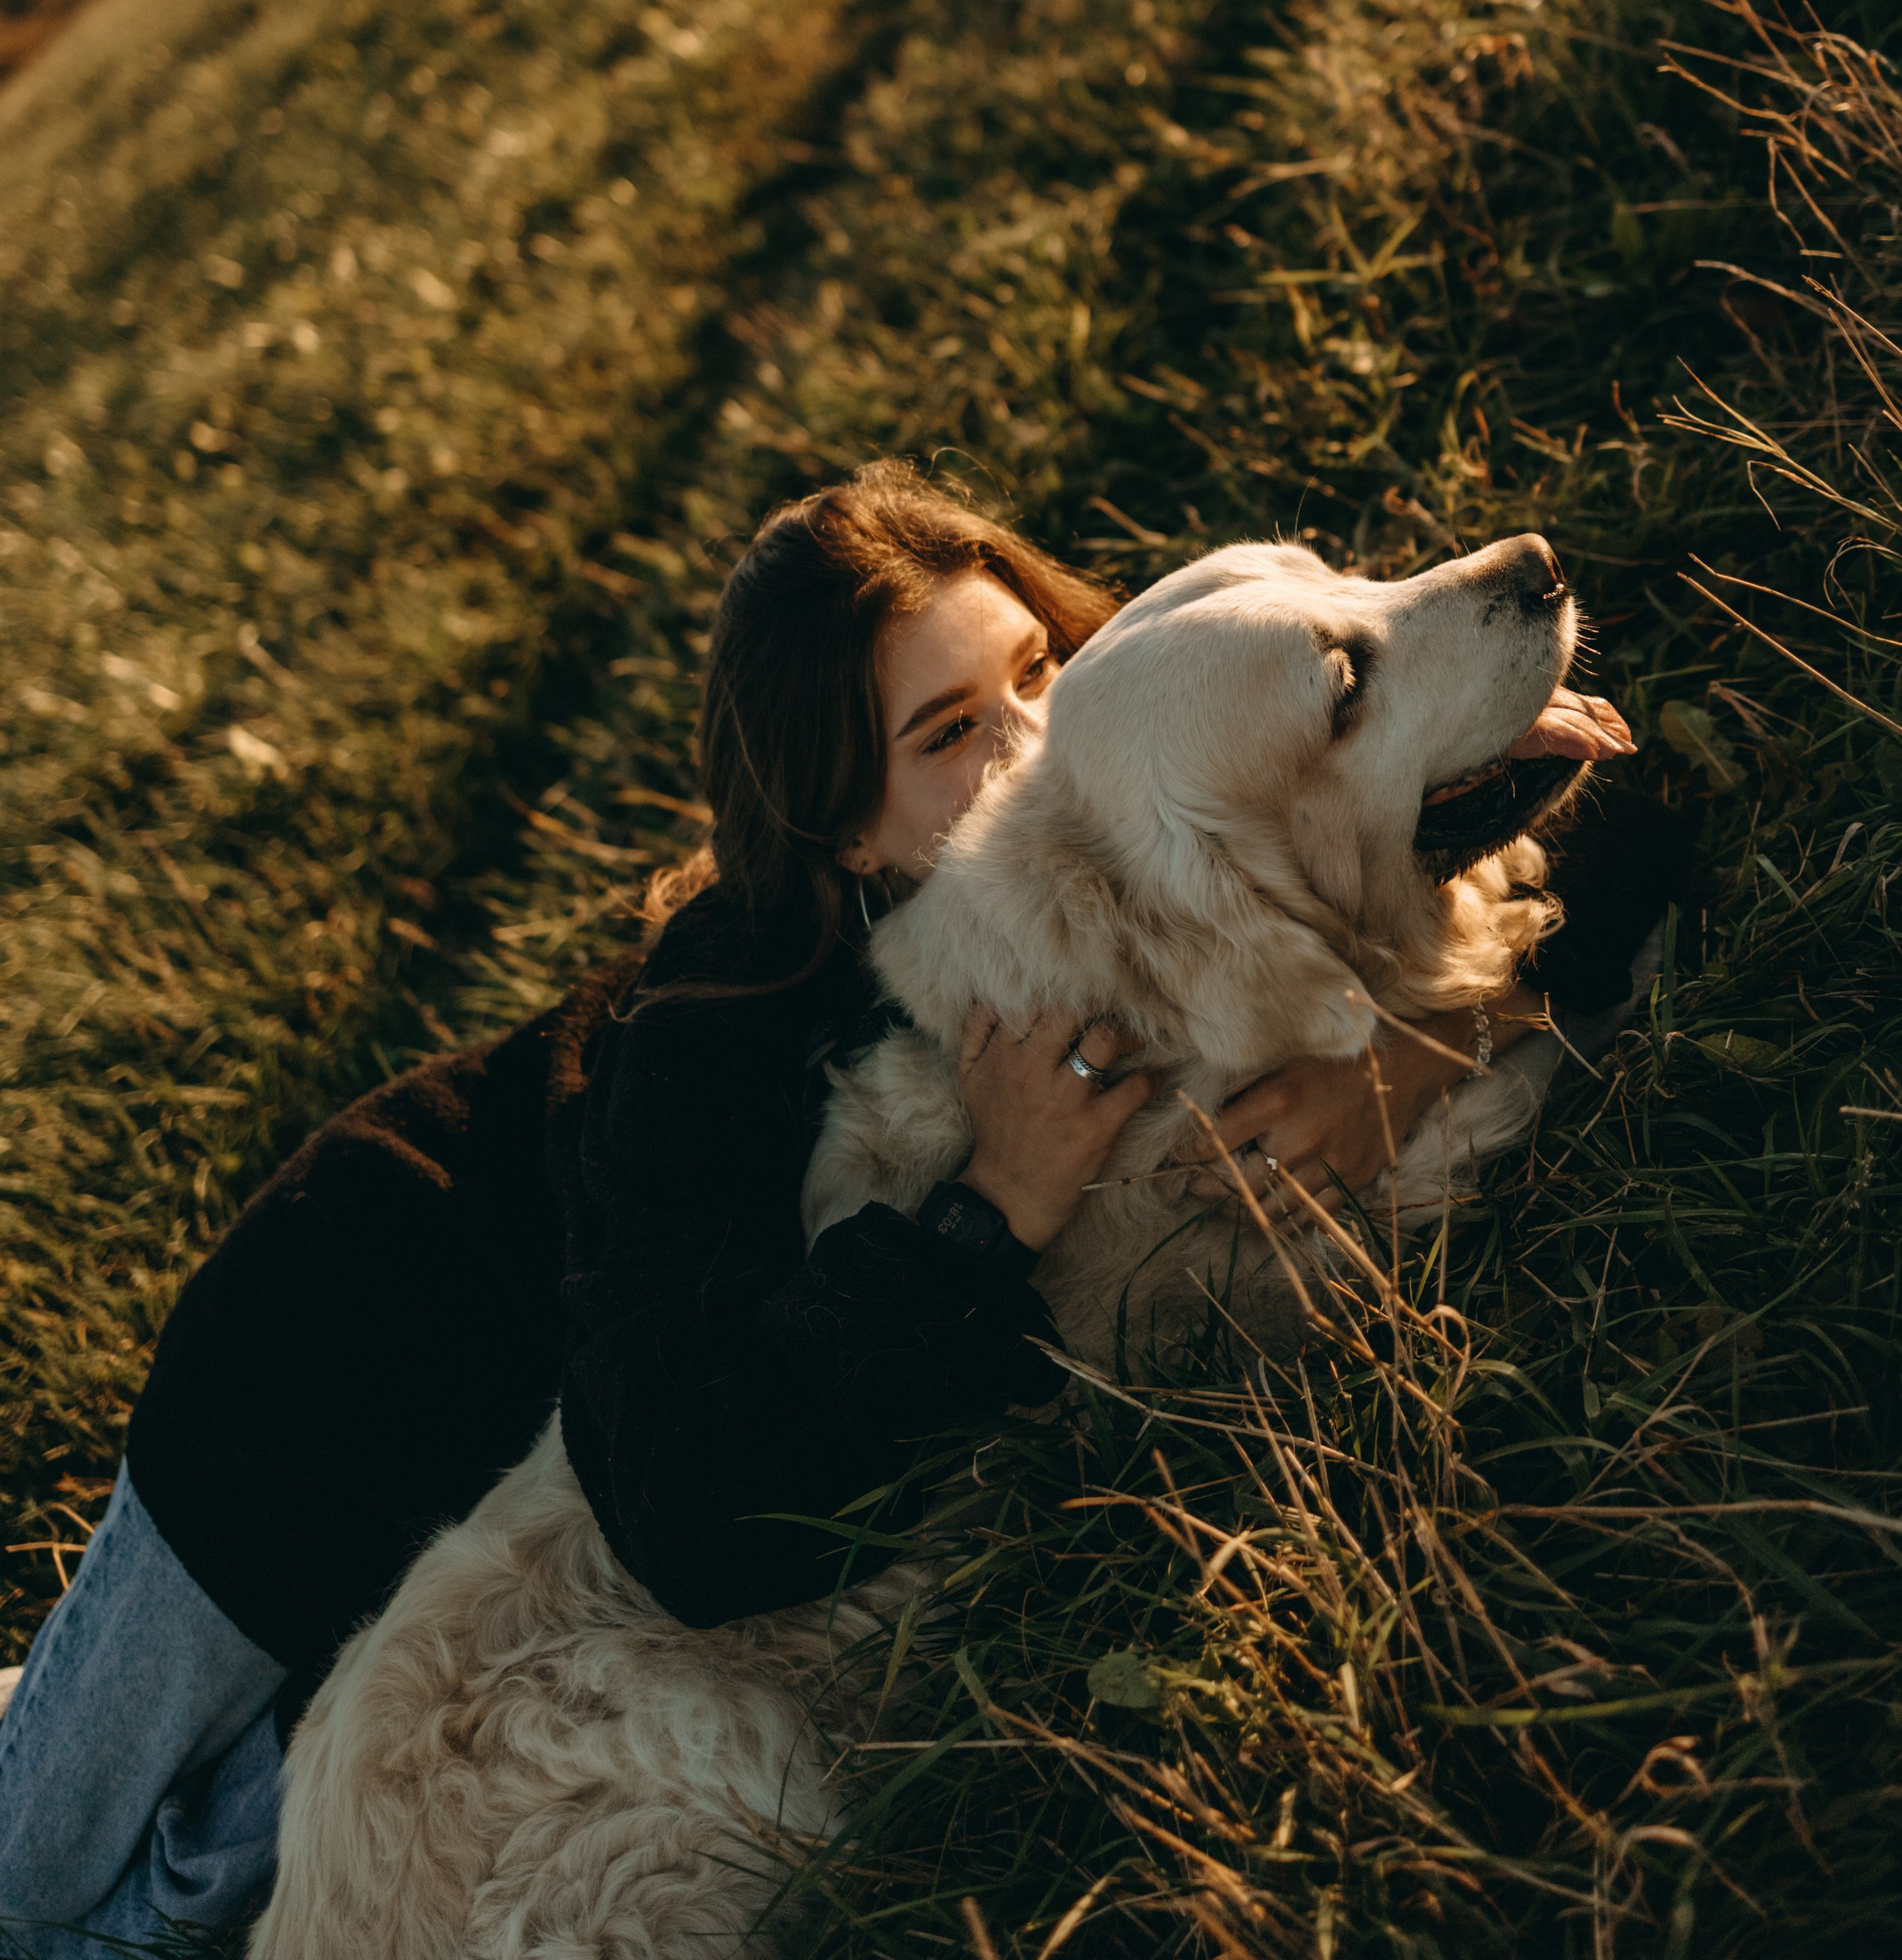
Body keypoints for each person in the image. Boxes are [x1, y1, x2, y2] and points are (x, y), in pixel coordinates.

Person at [0, 463, 1681, 1950]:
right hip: (315, 1385)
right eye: (950, 734)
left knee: (227, 1866)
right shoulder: (712, 1040)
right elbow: (686, 1515)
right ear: (838, 827)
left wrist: (1436, 1041)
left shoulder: (1137, 796)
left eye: (1036, 675)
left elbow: (1568, 829)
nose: (1031, 749)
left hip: (540, 1465)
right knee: (47, 1878)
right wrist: (995, 1209)